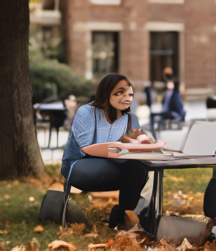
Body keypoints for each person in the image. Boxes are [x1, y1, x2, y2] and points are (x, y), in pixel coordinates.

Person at [61, 73, 151, 230]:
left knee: (140, 167)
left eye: (130, 94)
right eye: (120, 93)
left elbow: (136, 146)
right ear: (106, 93)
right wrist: (120, 148)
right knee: (135, 169)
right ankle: (129, 216)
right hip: (79, 165)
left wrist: (146, 141)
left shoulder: (131, 118)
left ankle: (125, 214)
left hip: (116, 165)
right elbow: (86, 148)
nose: (127, 98)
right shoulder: (86, 112)